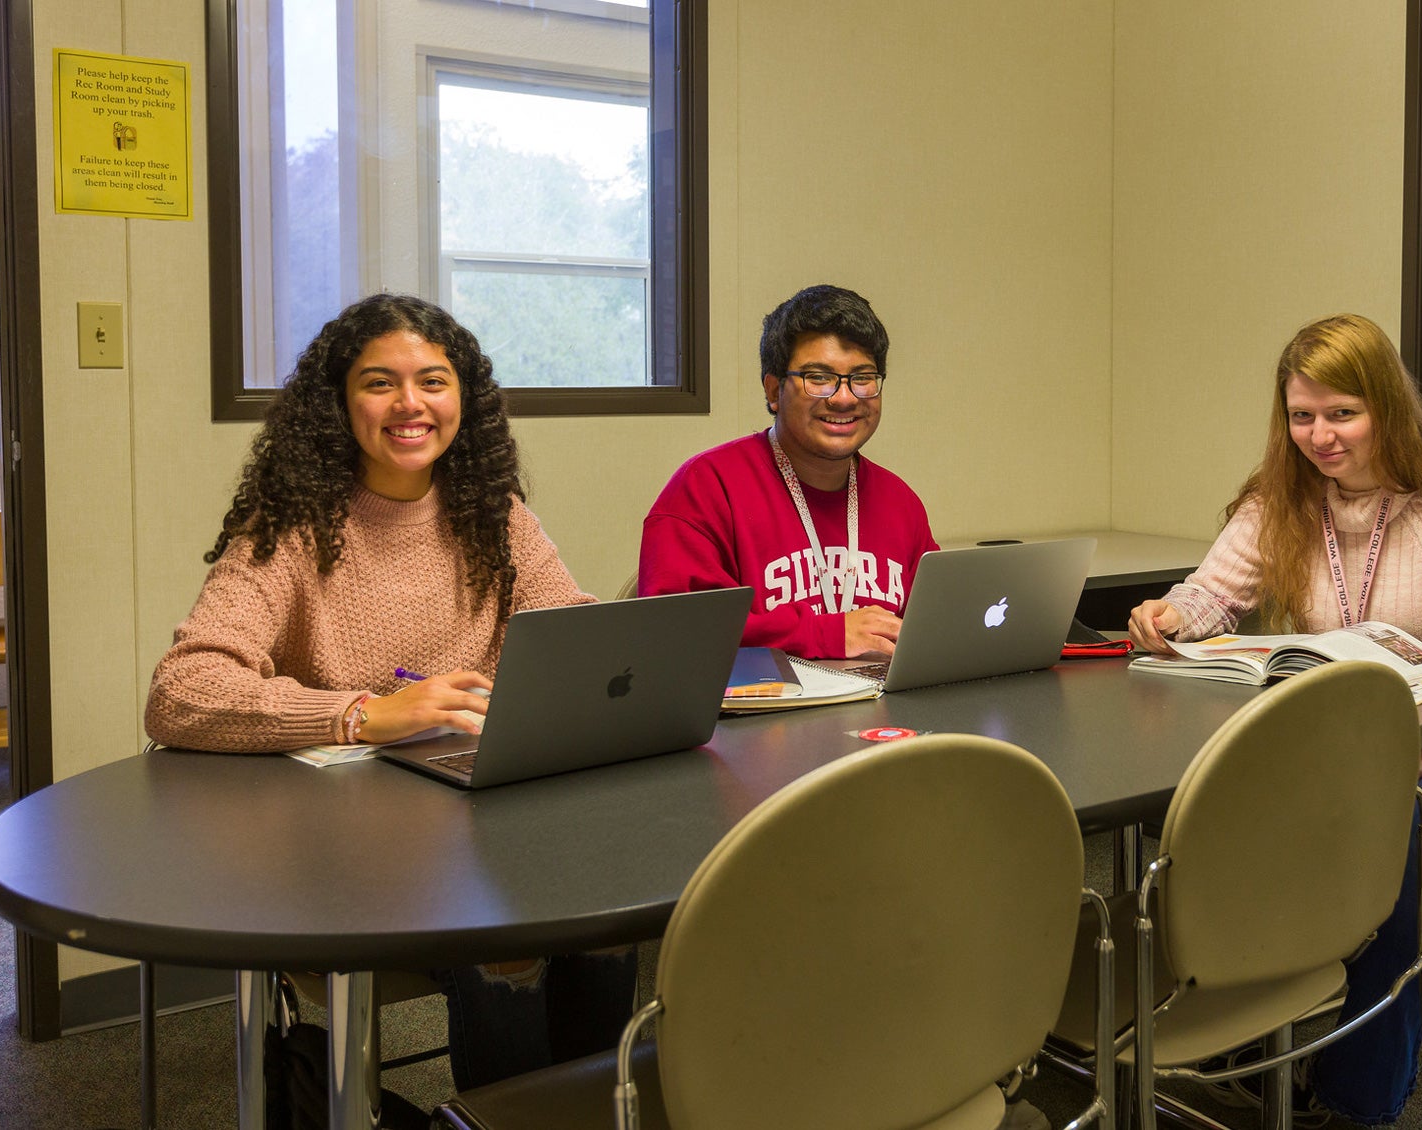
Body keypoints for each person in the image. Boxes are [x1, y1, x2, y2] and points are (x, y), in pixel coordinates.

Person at [143, 292, 631, 1092]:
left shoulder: (494, 513)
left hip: (481, 816)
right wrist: (362, 712)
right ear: (339, 403)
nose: (411, 404)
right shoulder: (292, 524)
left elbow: (568, 628)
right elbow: (183, 690)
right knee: (505, 937)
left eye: (433, 381)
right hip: (346, 843)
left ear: (463, 399)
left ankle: (586, 1109)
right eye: (379, 383)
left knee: (606, 921)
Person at [1127, 313, 1422, 1126]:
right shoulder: (1283, 500)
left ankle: (1357, 1101)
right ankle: (1248, 1039)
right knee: (1247, 815)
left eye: (1342, 414)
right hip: (1354, 749)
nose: (1320, 436)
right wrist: (1172, 615)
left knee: (1400, 840)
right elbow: (1211, 593)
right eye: (1302, 416)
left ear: (1387, 409)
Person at [638, 284, 939, 658]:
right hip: (753, 714)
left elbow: (936, 628)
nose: (844, 398)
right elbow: (673, 632)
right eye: (819, 378)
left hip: (884, 712)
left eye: (862, 378)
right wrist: (825, 634)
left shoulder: (900, 502)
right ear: (773, 391)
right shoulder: (706, 487)